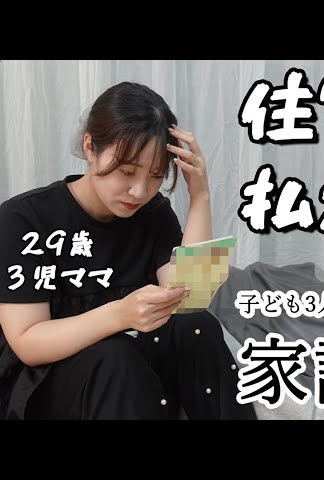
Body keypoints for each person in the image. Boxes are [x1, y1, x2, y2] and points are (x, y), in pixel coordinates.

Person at [0, 81, 257, 420]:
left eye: (155, 176)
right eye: (127, 171)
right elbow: (27, 344)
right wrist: (119, 315)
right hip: (47, 382)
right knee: (114, 356)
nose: (139, 191)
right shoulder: (23, 218)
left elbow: (192, 297)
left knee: (195, 324)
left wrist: (200, 196)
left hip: (131, 375)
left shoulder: (152, 212)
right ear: (90, 147)